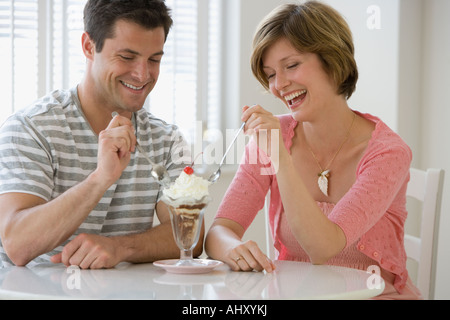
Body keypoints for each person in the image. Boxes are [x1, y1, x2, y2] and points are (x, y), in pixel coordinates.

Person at [205, 1, 421, 299]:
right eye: (269, 74)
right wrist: (235, 248)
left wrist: (280, 157)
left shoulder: (388, 153)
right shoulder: (272, 136)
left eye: (291, 65)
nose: (279, 85)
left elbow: (323, 248)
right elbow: (219, 231)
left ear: (332, 60)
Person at [0, 0, 197, 269]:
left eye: (154, 59)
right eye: (127, 57)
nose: (142, 74)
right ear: (88, 47)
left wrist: (120, 247)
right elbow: (17, 245)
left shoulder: (167, 140)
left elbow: (190, 236)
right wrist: (100, 179)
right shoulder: (31, 128)